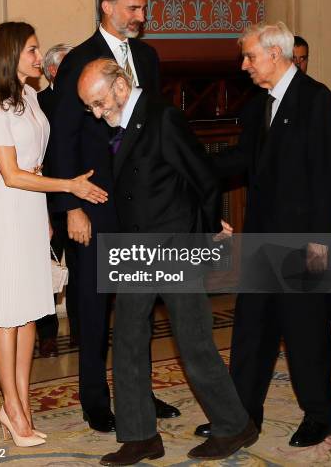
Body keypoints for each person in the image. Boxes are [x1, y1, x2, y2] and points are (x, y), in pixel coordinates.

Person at [77, 58, 258, 465]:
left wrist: (208, 230)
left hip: (174, 244)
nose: (96, 112)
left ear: (120, 87)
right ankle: (140, 436)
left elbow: (203, 177)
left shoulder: (163, 117)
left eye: (98, 102)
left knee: (193, 341)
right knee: (125, 338)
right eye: (90, 106)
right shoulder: (124, 119)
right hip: (137, 247)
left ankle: (234, 425)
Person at [195, 22, 331, 447]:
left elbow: (329, 178)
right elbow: (242, 158)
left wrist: (320, 248)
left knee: (305, 331)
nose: (244, 65)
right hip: (260, 239)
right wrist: (190, 161)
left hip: (303, 242)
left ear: (274, 55)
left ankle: (320, 414)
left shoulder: (316, 100)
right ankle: (242, 413)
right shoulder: (258, 103)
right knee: (251, 329)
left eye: (249, 57)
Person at [48, 0, 177, 432]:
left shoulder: (147, 56)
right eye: (133, 8)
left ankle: (138, 391)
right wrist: (71, 207)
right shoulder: (78, 61)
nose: (141, 16)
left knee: (140, 303)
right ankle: (94, 399)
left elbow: (157, 129)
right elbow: (62, 139)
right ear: (107, 6)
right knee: (94, 302)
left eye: (143, 8)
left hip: (143, 204)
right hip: (95, 201)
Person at [0, 22, 108, 447]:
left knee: (32, 311)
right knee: (7, 316)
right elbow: (11, 175)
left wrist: (47, 214)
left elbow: (36, 167)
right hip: (7, 211)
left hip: (32, 210)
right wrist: (69, 187)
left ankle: (23, 404)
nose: (38, 56)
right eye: (31, 50)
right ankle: (11, 409)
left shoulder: (30, 96)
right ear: (10, 55)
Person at [293, 34, 331, 327]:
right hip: (293, 200)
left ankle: (330, 305)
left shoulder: (319, 97)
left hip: (317, 196)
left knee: (320, 252)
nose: (299, 64)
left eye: (304, 59)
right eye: (295, 58)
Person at [36, 43, 76, 358]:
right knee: (45, 268)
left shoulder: (85, 101)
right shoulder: (38, 104)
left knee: (83, 266)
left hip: (79, 198)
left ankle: (81, 328)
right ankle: (47, 335)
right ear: (52, 71)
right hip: (48, 201)